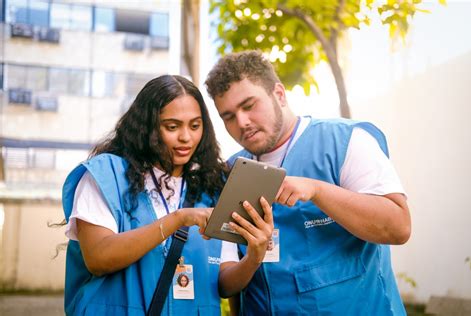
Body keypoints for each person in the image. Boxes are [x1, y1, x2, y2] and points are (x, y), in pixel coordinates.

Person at [205, 50, 411, 315]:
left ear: (279, 94)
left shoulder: (346, 141)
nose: (242, 122)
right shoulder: (230, 171)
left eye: (249, 106)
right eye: (228, 116)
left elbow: (398, 227)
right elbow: (232, 275)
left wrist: (318, 191)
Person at [62, 75, 227, 315]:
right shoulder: (105, 174)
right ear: (147, 127)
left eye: (195, 125)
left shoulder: (210, 186)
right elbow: (98, 258)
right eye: (172, 126)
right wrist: (178, 219)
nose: (186, 137)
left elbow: (224, 282)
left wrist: (255, 253)